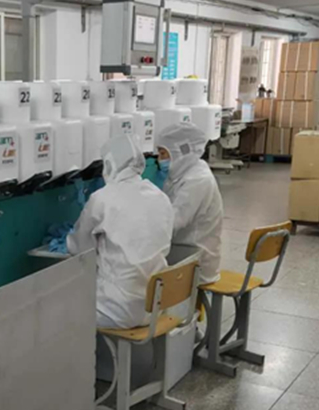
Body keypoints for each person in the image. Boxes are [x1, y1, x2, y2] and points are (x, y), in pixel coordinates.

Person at [66, 135, 174, 329]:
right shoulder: (160, 196)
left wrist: (66, 240)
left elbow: (80, 249)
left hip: (115, 310)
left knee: (60, 308)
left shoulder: (102, 199)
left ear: (109, 164)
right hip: (156, 305)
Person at [155, 122, 223, 285]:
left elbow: (173, 223)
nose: (159, 160)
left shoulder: (197, 180)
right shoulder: (183, 172)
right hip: (183, 249)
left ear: (181, 151)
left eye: (163, 154)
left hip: (196, 261)